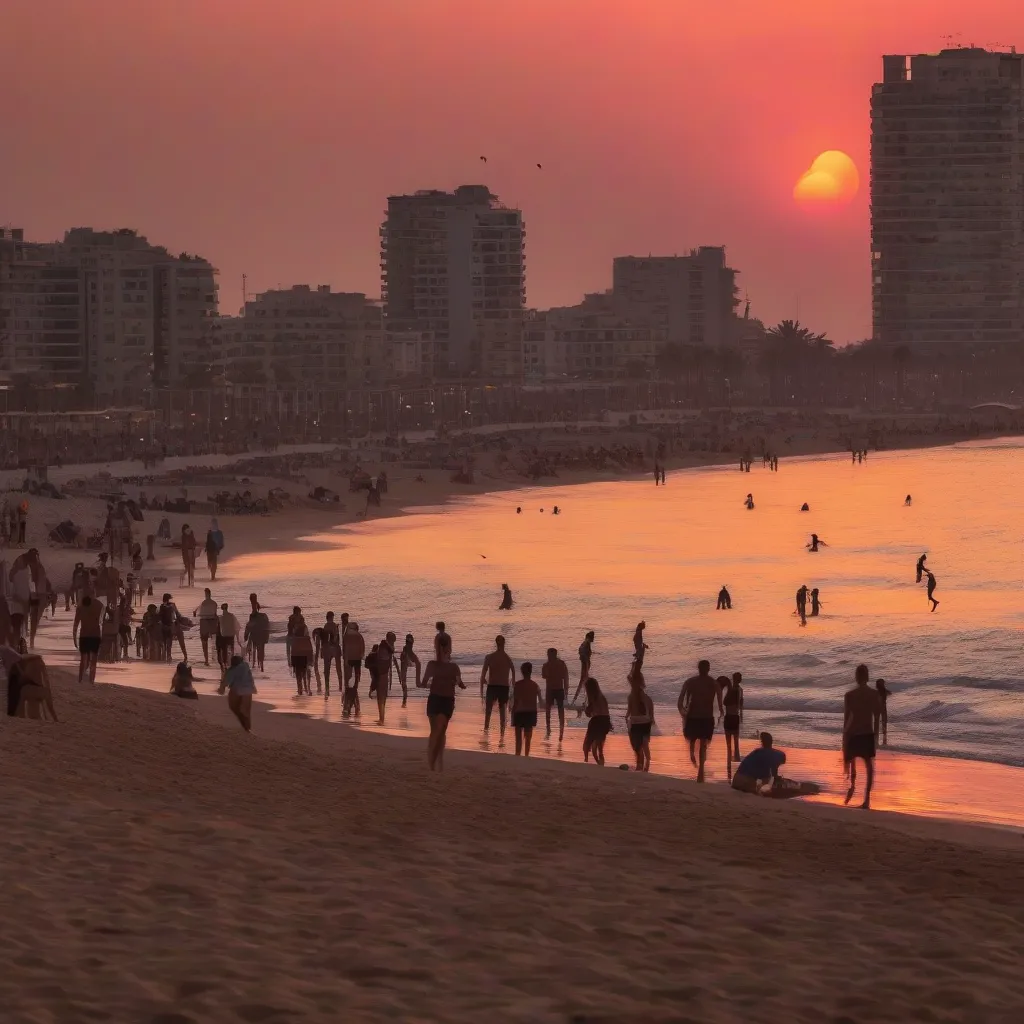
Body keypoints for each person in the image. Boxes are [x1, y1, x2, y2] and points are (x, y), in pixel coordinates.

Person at [418, 635, 465, 770]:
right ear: (448, 648)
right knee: (439, 731)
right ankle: (434, 762)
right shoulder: (452, 667)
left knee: (437, 732)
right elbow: (459, 683)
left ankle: (435, 761)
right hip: (443, 700)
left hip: (437, 699)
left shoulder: (434, 665)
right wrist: (457, 684)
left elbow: (424, 682)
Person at [843, 664, 882, 809]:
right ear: (867, 677)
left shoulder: (850, 695)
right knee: (869, 767)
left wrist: (845, 738)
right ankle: (867, 799)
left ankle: (852, 786)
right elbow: (877, 717)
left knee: (851, 761)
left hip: (853, 733)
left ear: (856, 677)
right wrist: (877, 737)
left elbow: (847, 720)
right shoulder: (873, 694)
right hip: (867, 733)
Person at [678, 659, 723, 782]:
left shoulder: (691, 682)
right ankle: (701, 770)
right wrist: (722, 713)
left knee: (694, 740)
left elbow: (680, 701)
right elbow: (720, 703)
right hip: (706, 717)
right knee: (703, 744)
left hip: (694, 717)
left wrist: (682, 712)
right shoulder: (714, 683)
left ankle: (696, 761)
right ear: (708, 669)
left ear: (698, 668)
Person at [480, 634, 515, 742]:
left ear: (496, 643)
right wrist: (512, 688)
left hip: (493, 686)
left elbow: (483, 675)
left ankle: (486, 730)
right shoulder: (507, 658)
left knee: (489, 711)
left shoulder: (490, 657)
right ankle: (502, 735)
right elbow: (513, 674)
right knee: (502, 710)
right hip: (503, 687)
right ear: (504, 643)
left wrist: (482, 688)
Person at [219, 653, 257, 732]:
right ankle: (248, 728)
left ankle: (244, 724)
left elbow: (225, 683)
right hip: (248, 690)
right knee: (246, 711)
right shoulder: (245, 666)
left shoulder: (231, 670)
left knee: (234, 707)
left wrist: (221, 688)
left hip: (237, 690)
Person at [510, 661, 541, 757]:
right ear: (531, 671)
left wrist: (512, 715)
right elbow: (541, 702)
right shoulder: (535, 685)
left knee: (518, 739)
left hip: (520, 712)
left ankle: (517, 755)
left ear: (522, 672)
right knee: (528, 739)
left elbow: (515, 702)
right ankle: (526, 756)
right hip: (531, 713)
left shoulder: (518, 685)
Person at [626, 669, 654, 772]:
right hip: (642, 721)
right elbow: (650, 711)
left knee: (638, 745)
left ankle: (641, 764)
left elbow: (629, 677)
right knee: (642, 744)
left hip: (639, 722)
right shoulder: (642, 696)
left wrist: (634, 666)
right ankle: (645, 763)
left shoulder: (634, 695)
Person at [73, 593, 104, 685]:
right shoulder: (100, 605)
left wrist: (74, 638)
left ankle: (80, 680)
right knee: (93, 660)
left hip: (84, 635)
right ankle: (91, 681)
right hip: (95, 635)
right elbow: (102, 622)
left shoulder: (81, 606)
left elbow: (76, 624)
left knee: (83, 659)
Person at [581, 677, 611, 765]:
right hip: (606, 720)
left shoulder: (593, 698)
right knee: (599, 745)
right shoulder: (602, 696)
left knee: (587, 743)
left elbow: (588, 713)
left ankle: (586, 760)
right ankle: (600, 761)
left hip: (597, 720)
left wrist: (584, 709)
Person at [541, 647, 569, 741]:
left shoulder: (547, 665)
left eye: (549, 655)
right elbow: (565, 677)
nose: (548, 656)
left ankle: (550, 727)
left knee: (550, 709)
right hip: (557, 689)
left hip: (552, 689)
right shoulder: (560, 664)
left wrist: (565, 688)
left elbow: (544, 676)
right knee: (558, 709)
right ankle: (557, 728)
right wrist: (566, 689)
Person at [720, 672, 744, 778]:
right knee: (735, 741)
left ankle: (729, 763)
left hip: (729, 717)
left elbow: (725, 702)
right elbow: (741, 703)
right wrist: (741, 715)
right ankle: (735, 762)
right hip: (735, 716)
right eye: (739, 678)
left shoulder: (732, 690)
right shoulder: (739, 690)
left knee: (729, 743)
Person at [373, 631, 399, 725]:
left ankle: (382, 719)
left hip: (382, 674)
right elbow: (383, 662)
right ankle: (381, 718)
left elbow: (382, 661)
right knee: (382, 696)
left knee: (381, 697)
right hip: (383, 674)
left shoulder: (385, 647)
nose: (393, 643)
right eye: (393, 641)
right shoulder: (386, 647)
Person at [342, 621, 365, 716]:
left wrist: (346, 661)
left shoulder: (346, 636)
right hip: (357, 661)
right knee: (355, 685)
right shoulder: (359, 636)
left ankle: (348, 707)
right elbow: (362, 652)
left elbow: (345, 650)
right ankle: (356, 707)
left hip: (349, 661)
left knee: (348, 686)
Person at [321, 611, 343, 697]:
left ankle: (327, 688)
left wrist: (322, 651)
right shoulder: (334, 625)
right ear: (332, 617)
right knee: (338, 667)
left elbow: (324, 640)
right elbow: (336, 638)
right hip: (334, 648)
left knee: (327, 669)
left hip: (326, 648)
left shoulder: (325, 626)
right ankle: (340, 685)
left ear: (327, 617)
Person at [195, 588, 219, 666]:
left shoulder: (203, 603)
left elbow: (198, 613)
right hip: (212, 621)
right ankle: (215, 659)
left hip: (204, 622)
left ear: (206, 594)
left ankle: (206, 660)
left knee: (204, 642)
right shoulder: (214, 603)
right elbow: (215, 614)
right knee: (214, 642)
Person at [244, 605, 270, 672]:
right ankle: (261, 663)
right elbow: (267, 625)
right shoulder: (264, 615)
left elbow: (249, 626)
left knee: (254, 646)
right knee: (261, 648)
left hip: (255, 635)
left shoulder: (252, 616)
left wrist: (246, 636)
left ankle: (254, 663)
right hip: (263, 635)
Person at [572, 630, 595, 705]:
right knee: (584, 681)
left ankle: (579, 699)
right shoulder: (587, 642)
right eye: (593, 637)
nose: (594, 639)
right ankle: (581, 700)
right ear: (589, 637)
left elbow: (581, 651)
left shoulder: (585, 642)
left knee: (583, 681)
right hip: (585, 664)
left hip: (585, 663)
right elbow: (582, 651)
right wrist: (586, 662)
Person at [290, 626, 313, 696]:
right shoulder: (306, 639)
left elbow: (292, 651)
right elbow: (310, 650)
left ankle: (300, 689)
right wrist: (311, 660)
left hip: (296, 658)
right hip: (304, 657)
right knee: (305, 674)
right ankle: (306, 688)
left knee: (298, 675)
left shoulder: (295, 639)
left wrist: (292, 663)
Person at [398, 633, 419, 707]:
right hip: (406, 661)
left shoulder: (406, 648)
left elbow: (403, 658)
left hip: (405, 662)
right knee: (403, 682)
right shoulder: (407, 649)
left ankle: (404, 700)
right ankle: (404, 700)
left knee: (403, 681)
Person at [217, 603, 240, 671]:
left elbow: (218, 629)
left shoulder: (220, 617)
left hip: (224, 635)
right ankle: (232, 661)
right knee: (231, 648)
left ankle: (225, 663)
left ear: (222, 609)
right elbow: (237, 626)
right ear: (227, 608)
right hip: (231, 636)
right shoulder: (232, 616)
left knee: (224, 649)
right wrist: (238, 638)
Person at [875, 678, 891, 746]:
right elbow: (889, 693)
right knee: (883, 723)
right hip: (883, 707)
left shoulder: (877, 692)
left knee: (877, 723)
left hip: (877, 708)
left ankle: (877, 740)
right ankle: (884, 740)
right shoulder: (884, 691)